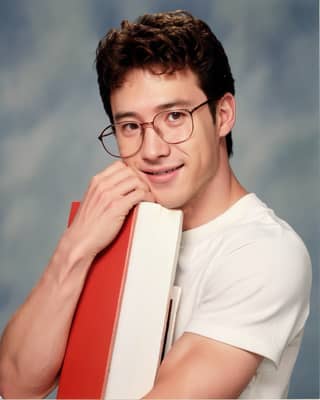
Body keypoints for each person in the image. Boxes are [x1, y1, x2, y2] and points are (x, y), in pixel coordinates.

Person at [0, 10, 311, 399]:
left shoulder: (265, 252)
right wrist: (76, 247)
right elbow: (15, 383)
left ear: (223, 115)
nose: (152, 149)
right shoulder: (110, 230)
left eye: (175, 116)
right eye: (131, 126)